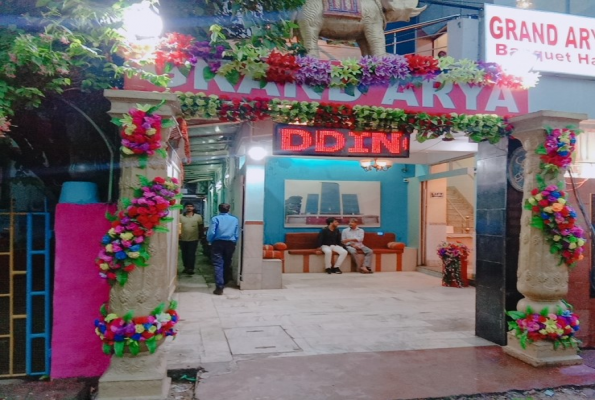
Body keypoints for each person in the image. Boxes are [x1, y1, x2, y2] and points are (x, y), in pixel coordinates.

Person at [207, 203, 240, 295]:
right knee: (227, 262)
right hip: (230, 243)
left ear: (219, 209)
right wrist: (234, 241)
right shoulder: (234, 220)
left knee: (218, 264)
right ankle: (225, 281)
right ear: (229, 209)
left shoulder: (215, 219)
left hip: (217, 243)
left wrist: (210, 240)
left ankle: (219, 287)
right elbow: (236, 233)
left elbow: (212, 232)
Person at [179, 202, 203, 275]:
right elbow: (179, 227)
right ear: (185, 208)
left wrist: (200, 236)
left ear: (193, 208)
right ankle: (186, 267)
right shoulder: (180, 217)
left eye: (191, 206)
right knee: (184, 254)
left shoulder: (198, 217)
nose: (189, 208)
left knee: (191, 254)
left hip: (193, 238)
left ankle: (191, 268)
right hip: (183, 238)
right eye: (187, 206)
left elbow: (200, 227)